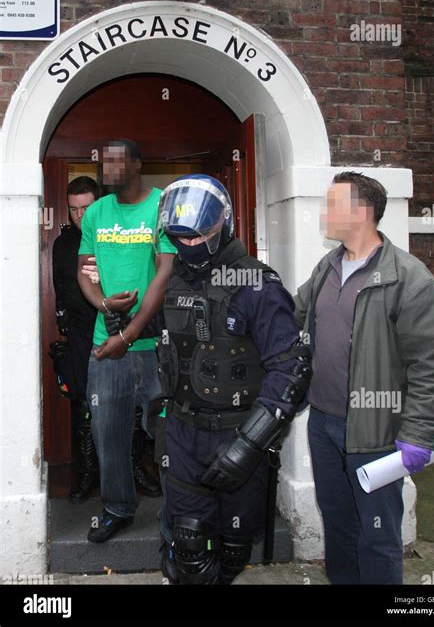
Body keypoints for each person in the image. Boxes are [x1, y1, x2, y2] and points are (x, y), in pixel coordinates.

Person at [124, 173, 312, 585]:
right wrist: (128, 319)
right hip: (183, 434)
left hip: (239, 431)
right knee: (187, 550)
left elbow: (293, 369)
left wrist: (249, 446)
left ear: (223, 224)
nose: (189, 247)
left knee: (232, 549)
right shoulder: (173, 280)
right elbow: (170, 336)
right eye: (179, 238)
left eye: (198, 237)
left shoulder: (256, 283)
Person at [293, 171, 434, 584]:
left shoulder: (409, 278)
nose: (324, 212)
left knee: (378, 535)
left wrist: (418, 433)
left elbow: (431, 365)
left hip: (377, 431)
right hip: (324, 424)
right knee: (339, 526)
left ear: (362, 212)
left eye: (333, 203)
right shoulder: (327, 267)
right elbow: (292, 315)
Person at [76, 139, 176, 543]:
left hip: (154, 347)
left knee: (170, 437)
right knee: (108, 433)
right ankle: (117, 508)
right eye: (103, 162)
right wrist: (102, 304)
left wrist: (130, 333)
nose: (106, 169)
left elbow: (165, 273)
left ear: (137, 163)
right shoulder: (96, 213)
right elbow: (85, 269)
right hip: (106, 347)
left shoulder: (161, 208)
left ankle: (179, 514)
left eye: (116, 162)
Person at [52, 176, 100, 502]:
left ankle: (135, 467)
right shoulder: (64, 243)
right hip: (82, 332)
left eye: (86, 207)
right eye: (73, 209)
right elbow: (59, 285)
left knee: (129, 404)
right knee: (82, 402)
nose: (80, 215)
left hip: (117, 329)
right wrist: (65, 321)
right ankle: (85, 474)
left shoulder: (117, 236)